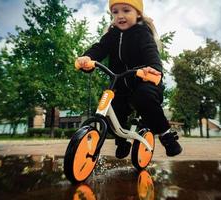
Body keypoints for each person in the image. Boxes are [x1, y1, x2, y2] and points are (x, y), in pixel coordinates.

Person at [76, 0, 182, 158]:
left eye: (126, 10)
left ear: (138, 13)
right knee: (110, 108)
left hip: (145, 80)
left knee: (144, 98)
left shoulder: (142, 33)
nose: (120, 16)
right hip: (120, 84)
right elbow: (99, 48)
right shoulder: (111, 35)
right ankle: (122, 140)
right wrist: (87, 58)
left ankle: (166, 135)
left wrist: (154, 68)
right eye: (115, 12)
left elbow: (150, 51)